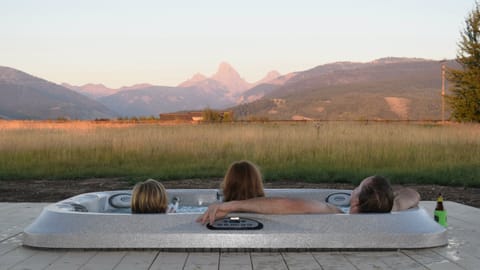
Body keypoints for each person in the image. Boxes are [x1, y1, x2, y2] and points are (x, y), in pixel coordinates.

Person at [197, 175, 420, 225]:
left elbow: (284, 204)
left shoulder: (332, 213)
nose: (353, 188)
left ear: (356, 203)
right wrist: (390, 198)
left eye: (357, 187)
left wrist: (229, 205)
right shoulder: (390, 213)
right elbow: (413, 194)